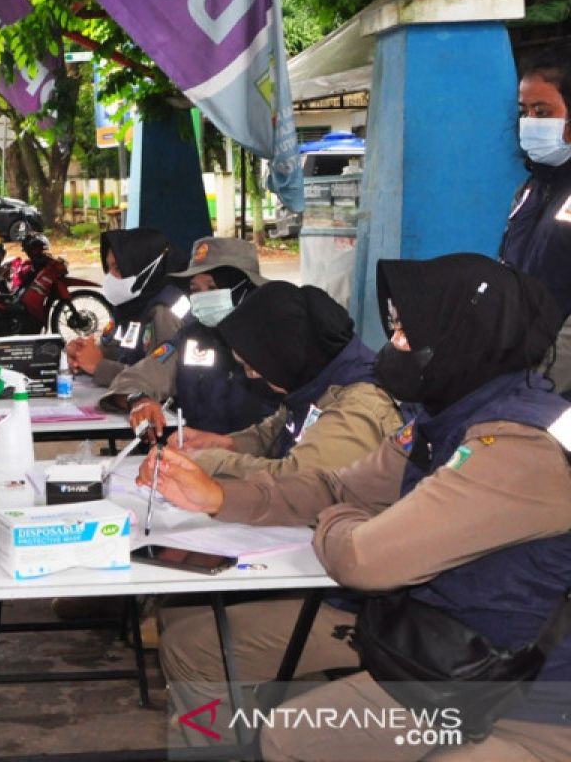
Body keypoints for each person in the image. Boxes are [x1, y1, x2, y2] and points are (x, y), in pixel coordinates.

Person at [142, 254, 571, 761]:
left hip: (518, 700)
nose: (394, 346)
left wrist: (346, 518)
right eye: (395, 329)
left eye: (408, 334)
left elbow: (363, 557)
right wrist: (220, 498)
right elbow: (334, 484)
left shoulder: (517, 448)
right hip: (434, 651)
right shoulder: (447, 419)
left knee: (292, 734)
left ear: (464, 340)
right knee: (237, 680)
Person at [178, 280, 402, 479]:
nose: (250, 376)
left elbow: (297, 479)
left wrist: (210, 462)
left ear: (284, 354)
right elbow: (279, 431)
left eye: (254, 367)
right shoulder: (312, 382)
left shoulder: (359, 406)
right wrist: (226, 443)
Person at [115, 236, 281, 436]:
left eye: (212, 288)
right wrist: (139, 400)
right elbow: (136, 377)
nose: (203, 297)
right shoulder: (192, 339)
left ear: (245, 289)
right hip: (199, 458)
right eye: (194, 290)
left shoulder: (279, 339)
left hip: (262, 462)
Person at [500, 48, 571, 392]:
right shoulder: (531, 190)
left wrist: (543, 380)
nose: (529, 122)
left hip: (555, 381)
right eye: (524, 112)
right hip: (518, 363)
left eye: (542, 113)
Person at [65, 228, 189, 387]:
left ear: (144, 268)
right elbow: (113, 352)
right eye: (108, 268)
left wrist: (99, 367)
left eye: (118, 268)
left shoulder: (164, 313)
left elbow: (158, 379)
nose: (110, 277)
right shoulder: (130, 307)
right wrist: (81, 356)